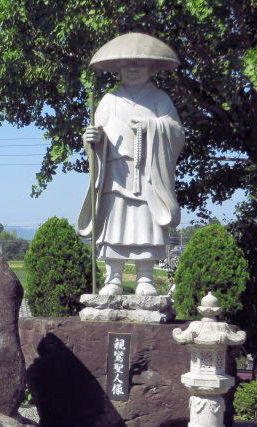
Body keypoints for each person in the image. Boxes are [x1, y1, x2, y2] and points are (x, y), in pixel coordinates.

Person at [77, 33, 184, 296]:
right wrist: (91, 140)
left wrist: (152, 126)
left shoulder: (160, 99)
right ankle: (112, 276)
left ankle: (145, 276)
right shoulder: (108, 100)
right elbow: (96, 135)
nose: (133, 69)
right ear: (118, 70)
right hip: (115, 173)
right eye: (126, 64)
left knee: (145, 222)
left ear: (151, 68)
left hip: (147, 173)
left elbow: (176, 132)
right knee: (115, 221)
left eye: (140, 64)